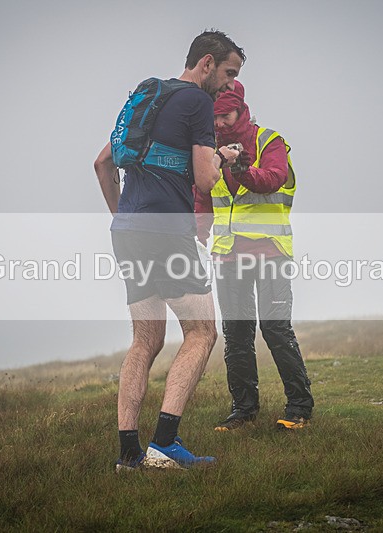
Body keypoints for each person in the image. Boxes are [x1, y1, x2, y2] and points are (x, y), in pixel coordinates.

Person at [93, 30, 245, 470]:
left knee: (145, 340)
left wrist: (122, 216)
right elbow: (203, 180)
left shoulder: (149, 96)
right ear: (207, 63)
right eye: (228, 72)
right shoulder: (197, 102)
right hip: (165, 231)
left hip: (128, 230)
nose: (229, 85)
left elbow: (102, 162)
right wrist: (223, 158)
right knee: (201, 332)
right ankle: (165, 444)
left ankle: (128, 456)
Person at [195, 81, 314, 431]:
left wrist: (241, 168)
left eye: (225, 115)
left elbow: (274, 179)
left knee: (276, 329)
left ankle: (300, 409)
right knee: (236, 333)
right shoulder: (210, 149)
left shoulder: (268, 142)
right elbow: (203, 191)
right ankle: (243, 411)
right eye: (213, 117)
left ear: (241, 110)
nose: (219, 124)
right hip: (228, 256)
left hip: (270, 253)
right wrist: (198, 228)